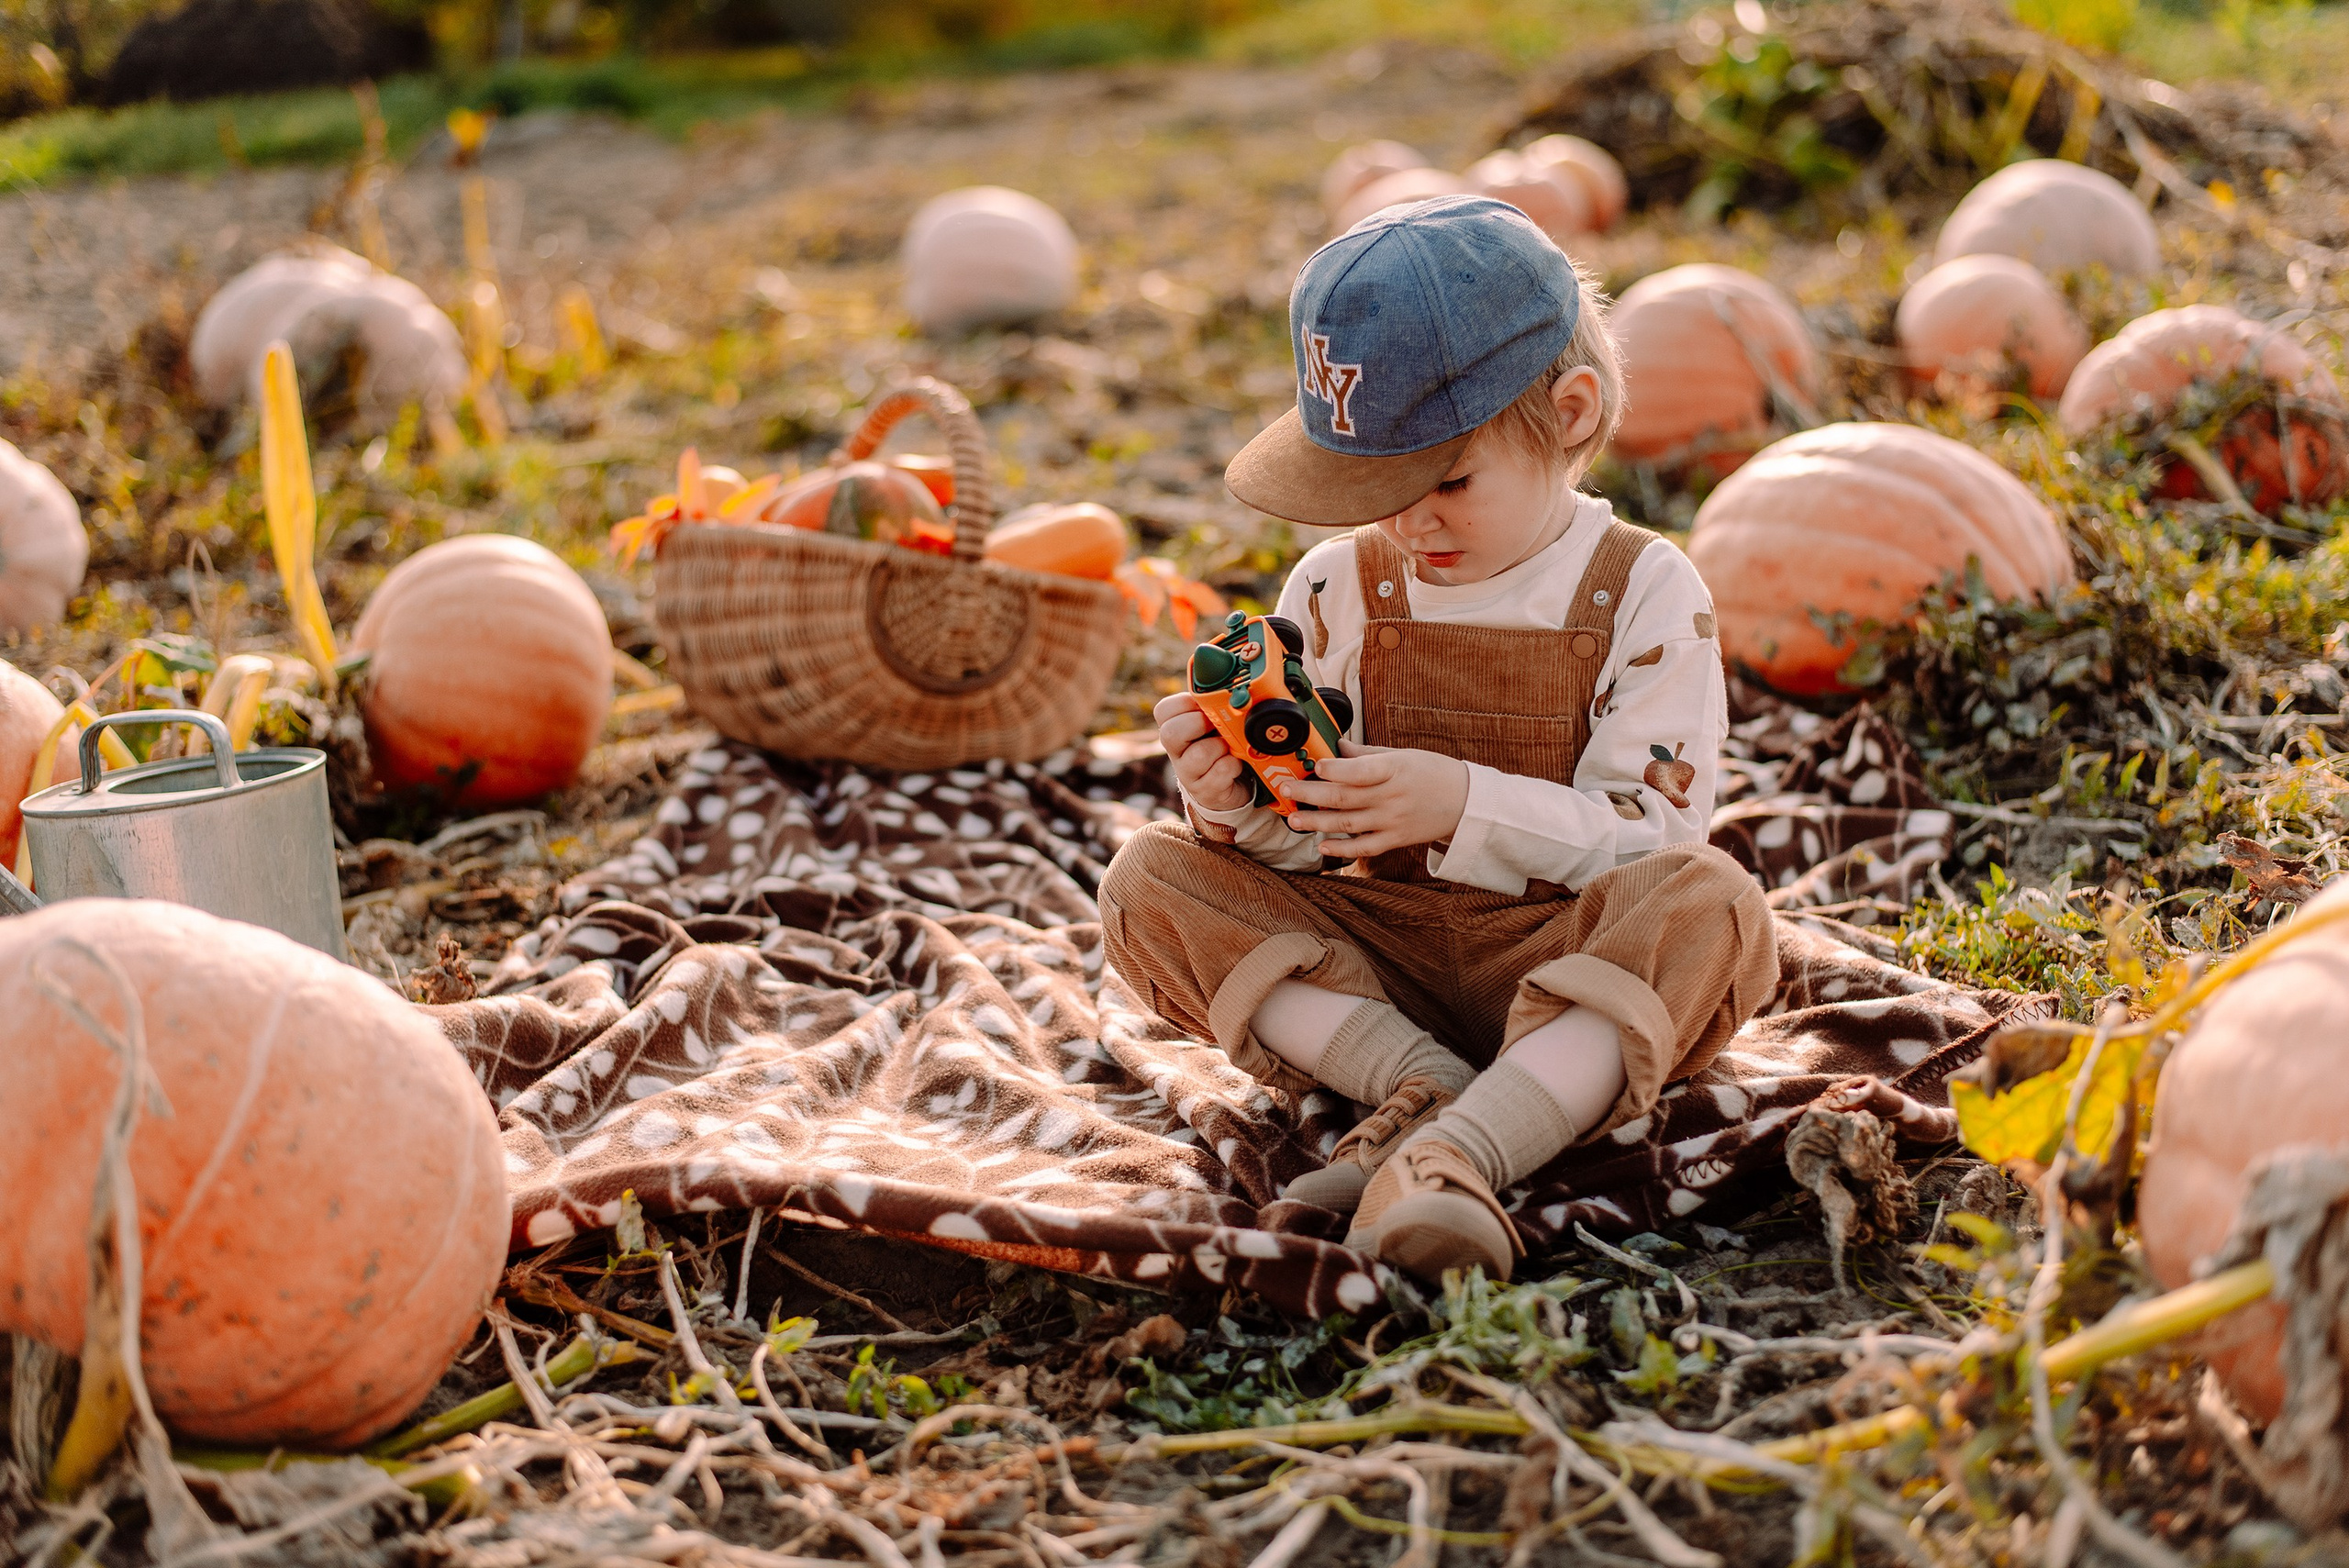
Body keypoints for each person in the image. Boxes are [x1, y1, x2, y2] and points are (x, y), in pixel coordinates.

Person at [1097, 195, 1778, 1283]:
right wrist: (1232, 802)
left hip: (1565, 955)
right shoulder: (1337, 585)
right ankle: (1425, 1087)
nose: (1410, 521)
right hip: (1377, 962)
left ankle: (1459, 1152)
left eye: (1446, 480)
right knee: (1149, 879)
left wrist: (1460, 804)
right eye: (1374, 490)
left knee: (1715, 907)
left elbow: (1650, 841)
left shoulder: (1644, 590)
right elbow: (1305, 849)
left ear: (1568, 414)